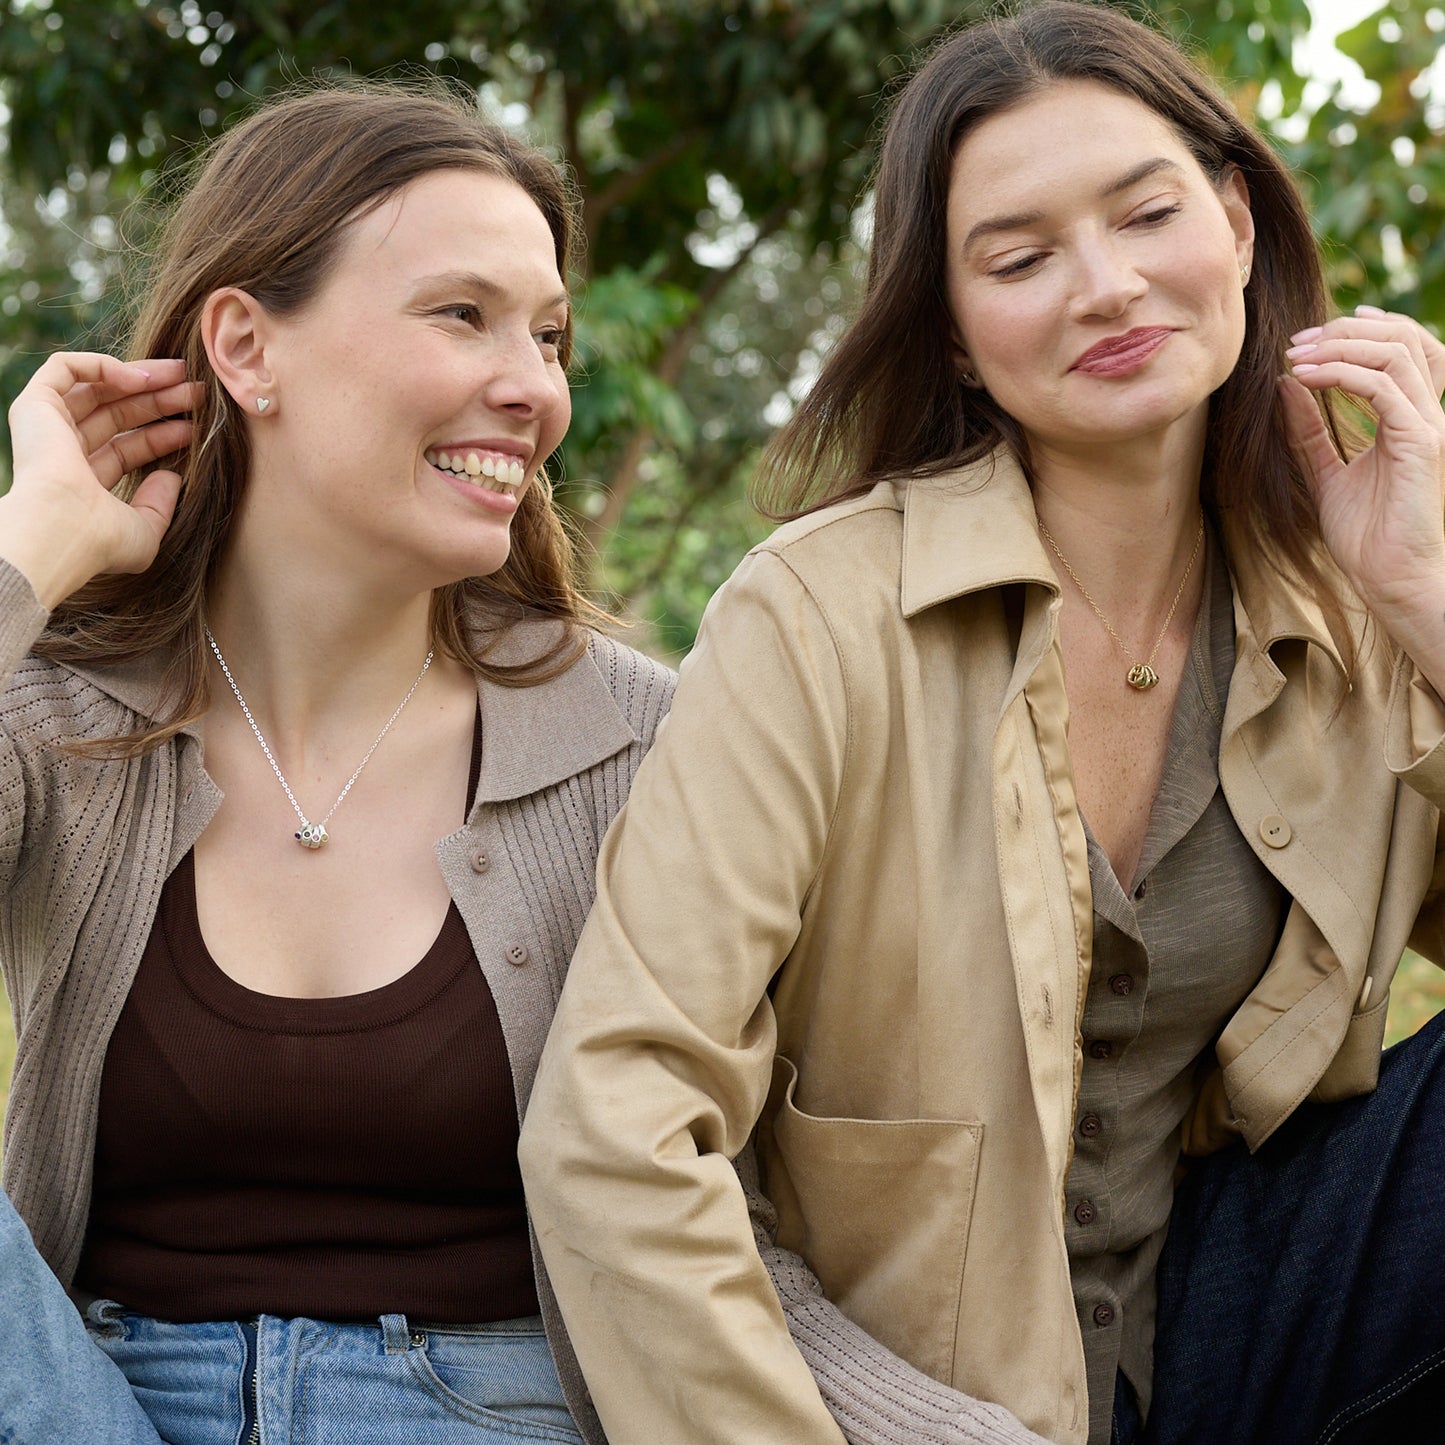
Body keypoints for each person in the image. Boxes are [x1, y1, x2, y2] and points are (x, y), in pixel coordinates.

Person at [518, 4, 1445, 1444]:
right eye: (1020, 259)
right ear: (952, 337)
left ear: (1237, 225)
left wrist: (1424, 596)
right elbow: (618, 1123)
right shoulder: (815, 616)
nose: (1107, 288)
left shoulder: (1341, 613)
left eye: (1147, 215)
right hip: (901, 1390)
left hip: (1224, 1335)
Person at [0, 81, 683, 1445]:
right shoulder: (55, 716)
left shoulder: (634, 743)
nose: (535, 387)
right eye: (462, 314)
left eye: (548, 335)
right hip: (76, 1405)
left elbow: (750, 1205)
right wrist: (28, 553)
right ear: (246, 346)